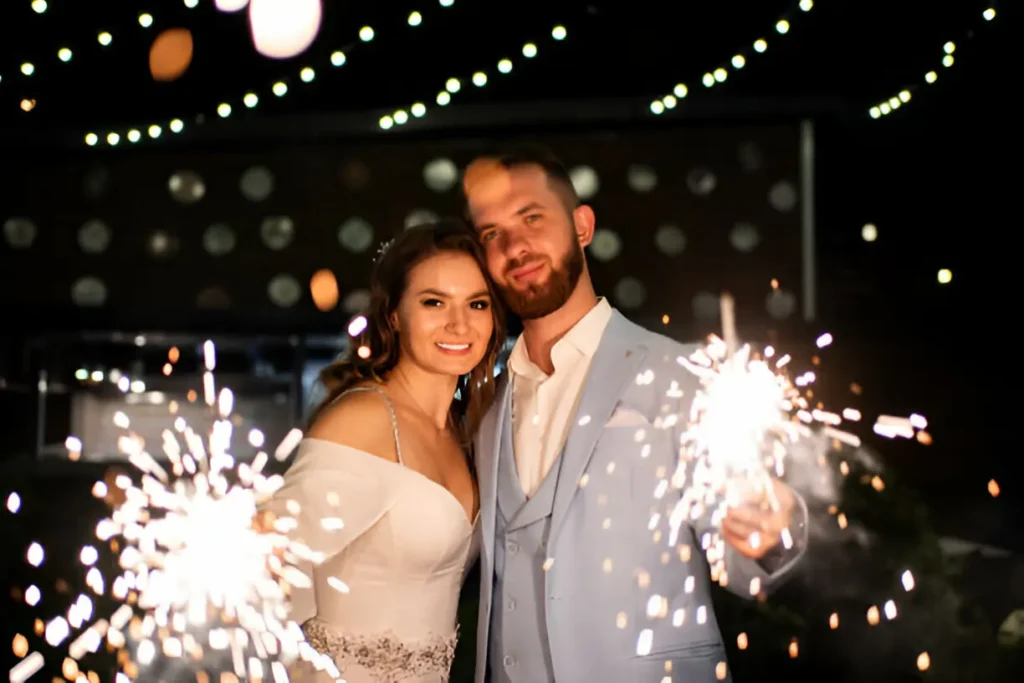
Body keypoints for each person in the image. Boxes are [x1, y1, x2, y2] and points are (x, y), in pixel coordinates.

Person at [461, 145, 811, 682]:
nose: (515, 246)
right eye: (492, 234)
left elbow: (744, 558)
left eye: (532, 217)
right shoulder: (487, 405)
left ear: (581, 225)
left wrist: (773, 535)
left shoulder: (678, 373)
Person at [261, 219, 506, 682]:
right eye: (434, 301)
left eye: (477, 303)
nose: (459, 323)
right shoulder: (364, 420)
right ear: (394, 314)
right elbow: (275, 563)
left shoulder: (465, 427)